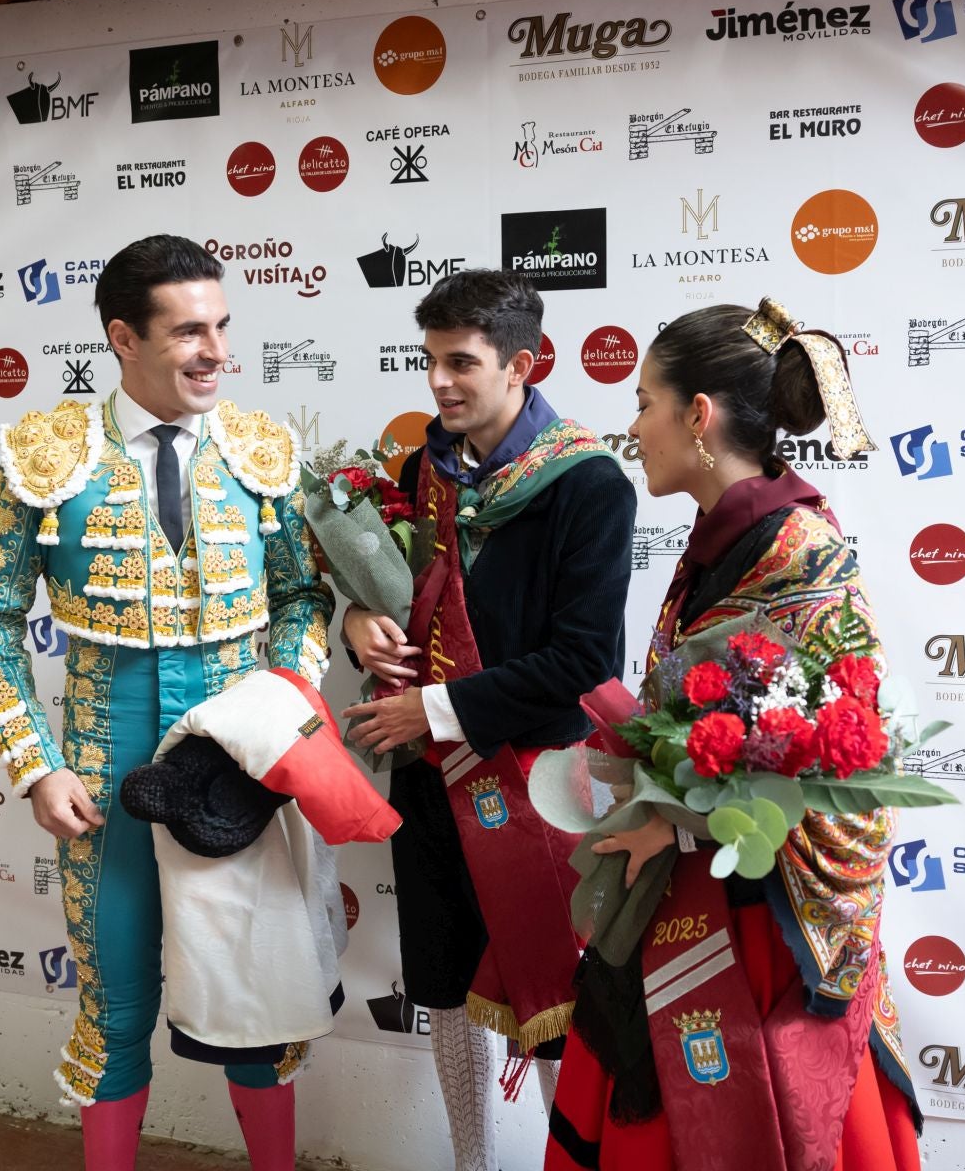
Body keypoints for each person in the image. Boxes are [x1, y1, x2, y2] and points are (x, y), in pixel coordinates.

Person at [0, 234, 334, 1171]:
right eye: (189, 332)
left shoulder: (260, 450)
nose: (216, 352)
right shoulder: (47, 455)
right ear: (123, 338)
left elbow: (302, 597)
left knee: (254, 1009)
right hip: (102, 765)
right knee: (115, 1010)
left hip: (236, 762)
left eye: (222, 327)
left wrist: (284, 711)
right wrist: (37, 765)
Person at [544, 300, 922, 1171]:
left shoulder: (801, 549)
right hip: (698, 891)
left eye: (644, 403)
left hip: (763, 929)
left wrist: (675, 822)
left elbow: (845, 759)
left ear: (698, 415)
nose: (632, 427)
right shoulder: (720, 542)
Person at [340, 269, 636, 1171]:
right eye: (430, 360)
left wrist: (427, 709)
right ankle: (471, 1162)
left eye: (460, 362)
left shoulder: (589, 485)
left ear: (523, 364)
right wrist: (360, 631)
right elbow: (394, 604)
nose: (438, 382)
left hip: (540, 786)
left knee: (553, 1000)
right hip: (431, 781)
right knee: (446, 986)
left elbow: (586, 664)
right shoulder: (416, 470)